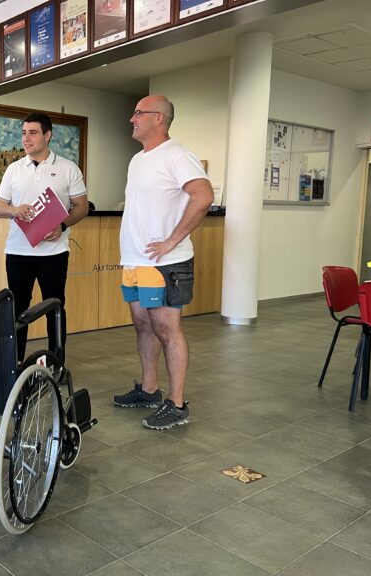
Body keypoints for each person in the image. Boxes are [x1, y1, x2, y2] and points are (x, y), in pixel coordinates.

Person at [113, 95, 214, 430]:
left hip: (166, 263)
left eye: (138, 113)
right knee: (144, 325)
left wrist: (172, 239)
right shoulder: (138, 159)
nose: (132, 118)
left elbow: (204, 195)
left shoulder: (178, 154)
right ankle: (149, 389)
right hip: (136, 261)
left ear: (159, 118)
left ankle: (178, 402)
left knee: (168, 330)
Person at [0, 112, 88, 363]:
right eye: (24, 133)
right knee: (16, 309)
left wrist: (63, 224)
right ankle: (14, 364)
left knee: (55, 308)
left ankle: (56, 364)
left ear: (48, 135)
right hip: (17, 253)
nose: (26, 138)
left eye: (33, 133)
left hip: (53, 253)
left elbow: (82, 206)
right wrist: (14, 209)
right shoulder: (13, 169)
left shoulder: (68, 168)